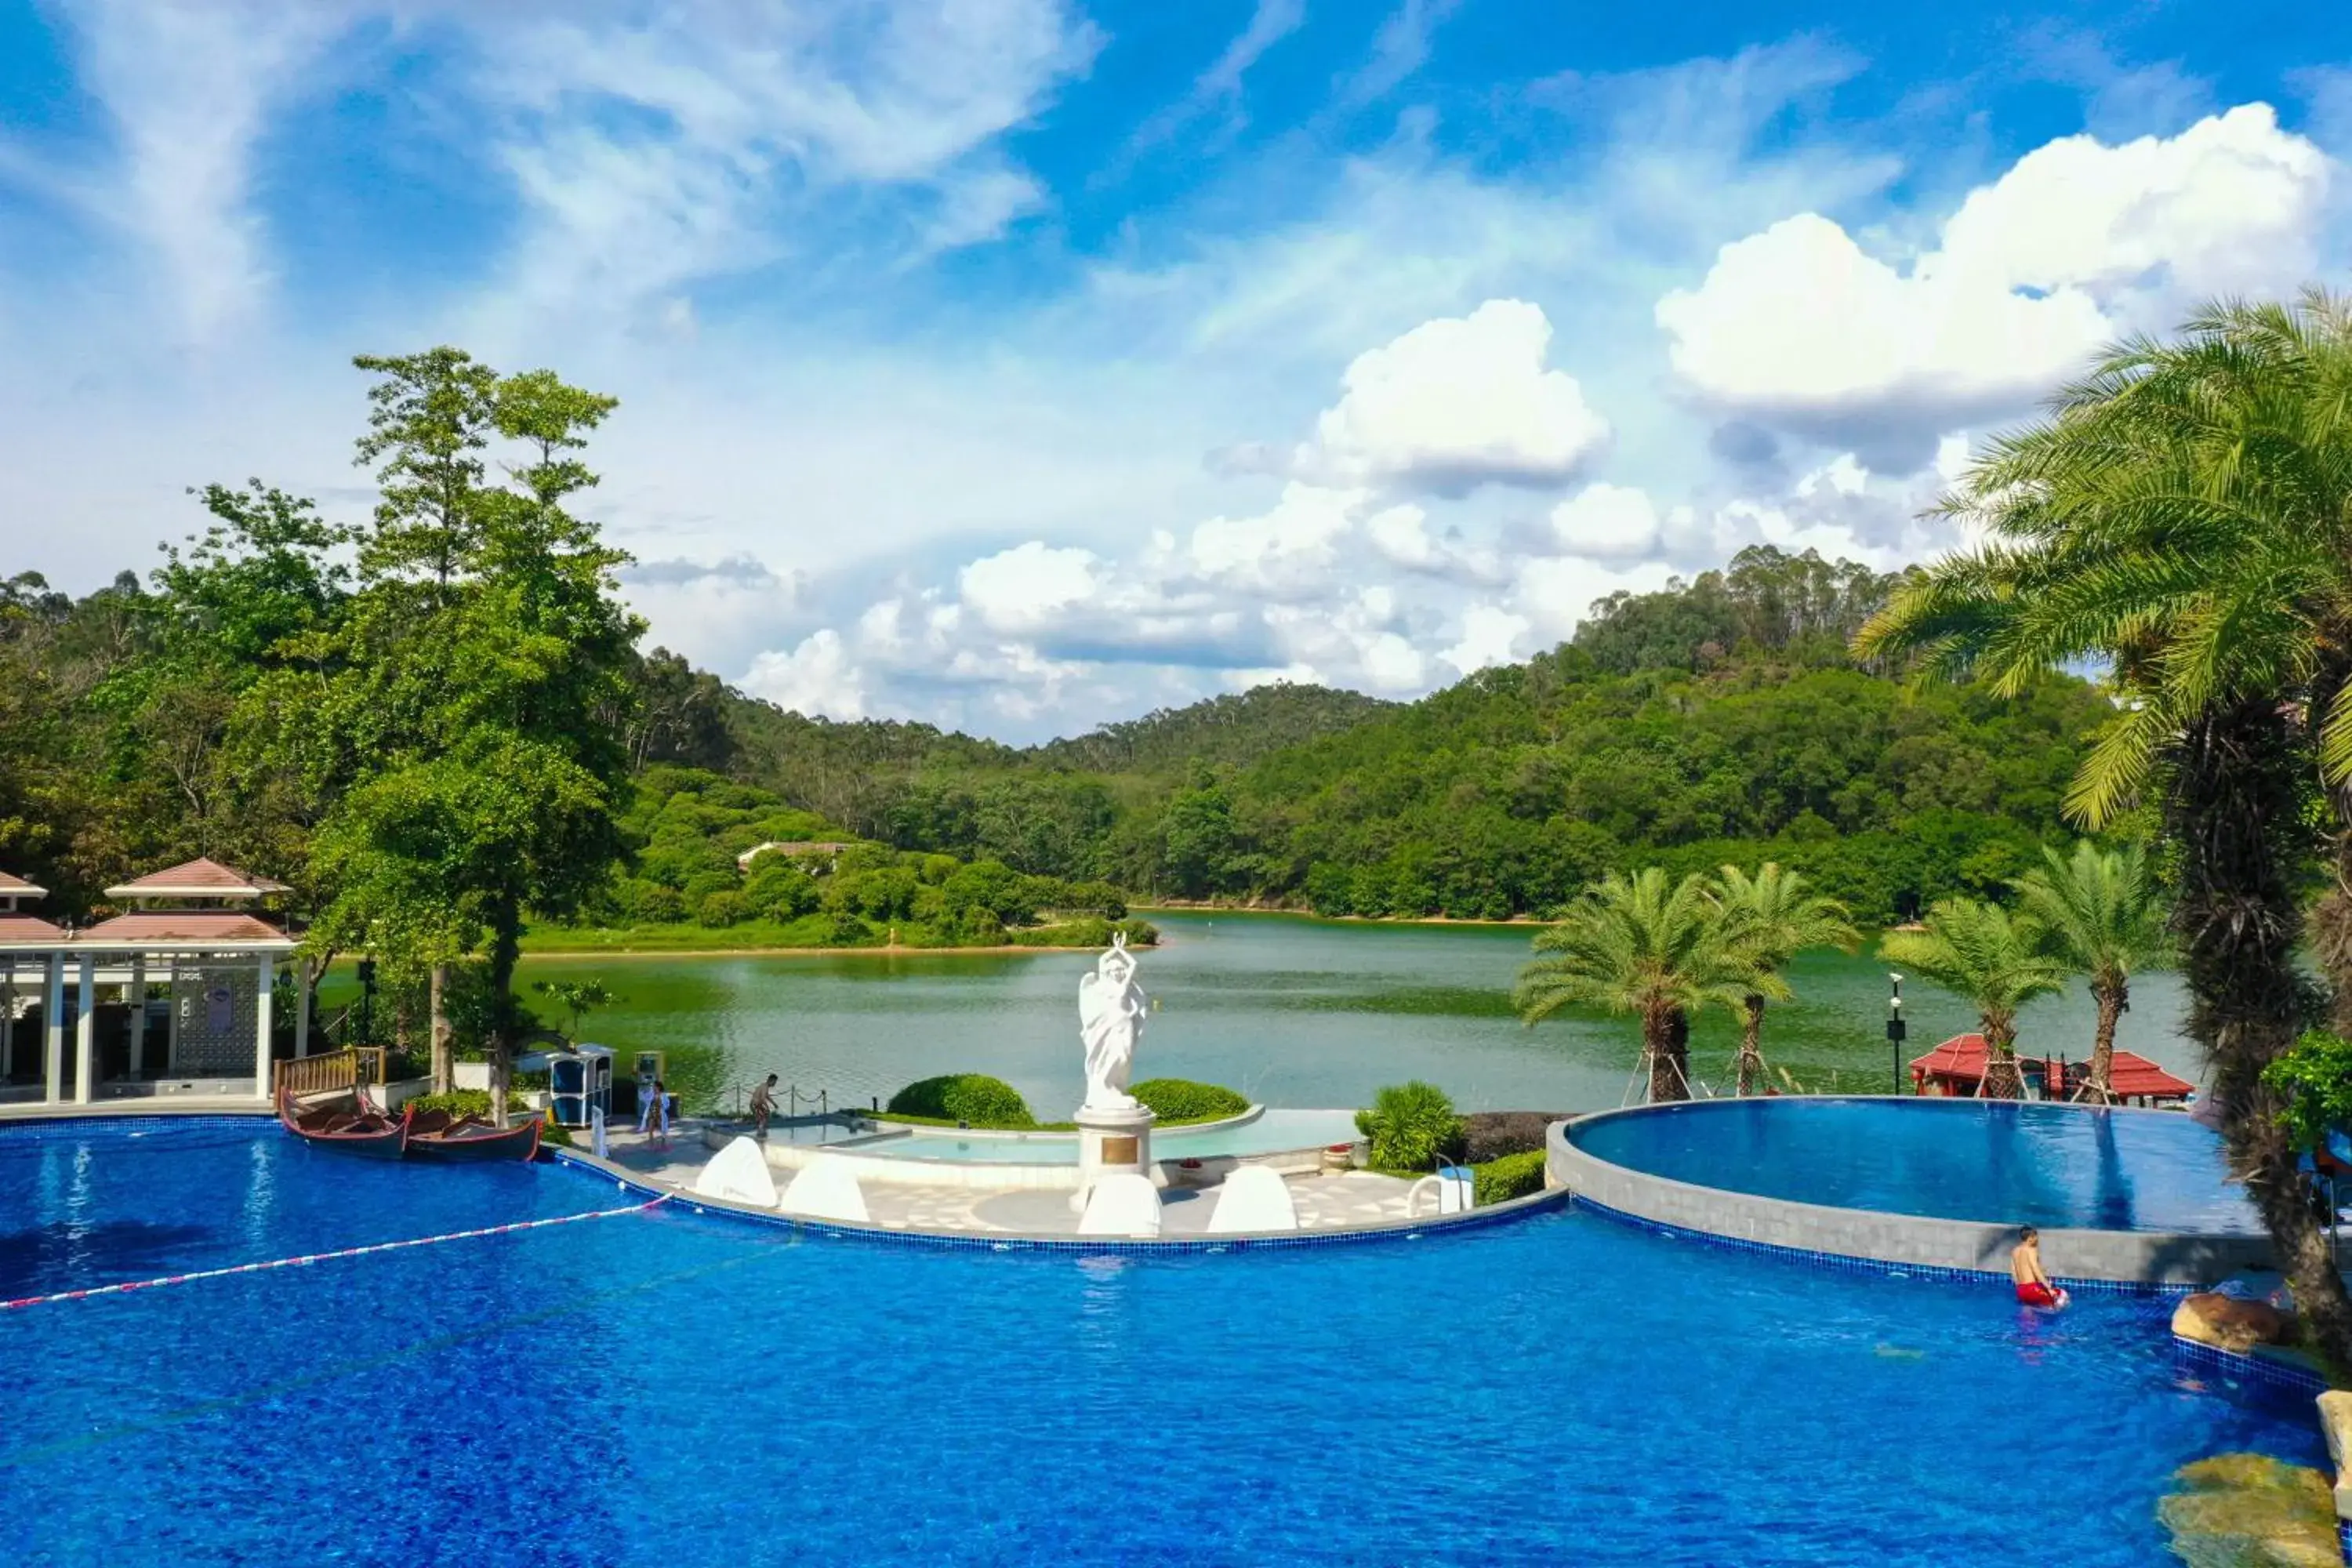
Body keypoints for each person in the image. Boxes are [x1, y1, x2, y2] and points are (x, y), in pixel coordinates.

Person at [2011, 1226, 2068, 1308]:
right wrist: (2049, 1287)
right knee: (2062, 1294)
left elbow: (2014, 1271)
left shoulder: (2015, 1251)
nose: (2037, 1239)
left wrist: (2020, 1287)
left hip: (2021, 1291)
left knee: (2029, 1310)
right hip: (2033, 1289)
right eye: (2036, 1237)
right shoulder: (2031, 1250)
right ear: (2030, 1238)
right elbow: (2035, 1269)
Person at [750, 1073, 779, 1140]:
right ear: (771, 1080)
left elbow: (767, 1096)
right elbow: (763, 1098)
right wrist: (767, 1107)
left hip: (755, 1104)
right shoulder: (765, 1087)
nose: (775, 1084)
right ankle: (761, 1134)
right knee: (764, 1117)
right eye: (774, 1082)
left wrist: (774, 1104)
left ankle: (761, 1132)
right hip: (756, 1105)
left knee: (763, 1117)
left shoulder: (764, 1086)